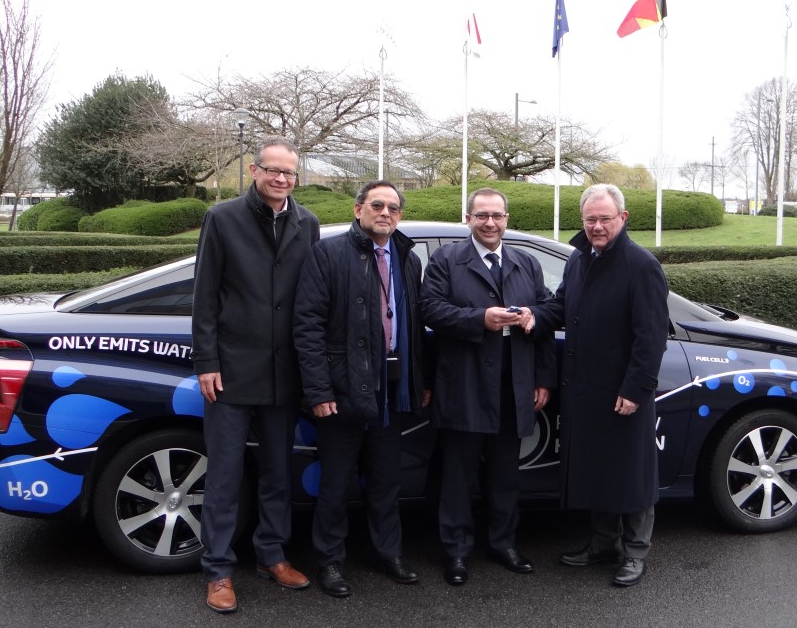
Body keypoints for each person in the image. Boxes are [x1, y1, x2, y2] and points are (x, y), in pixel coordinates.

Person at [192, 136, 321, 613]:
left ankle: (272, 554)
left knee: (277, 474)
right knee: (225, 476)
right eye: (274, 170)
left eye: (290, 172)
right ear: (254, 171)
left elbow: (312, 297)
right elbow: (205, 296)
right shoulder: (222, 218)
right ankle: (218, 570)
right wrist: (206, 361)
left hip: (284, 374)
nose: (282, 179)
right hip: (229, 373)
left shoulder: (308, 223)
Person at [532, 183, 669, 588]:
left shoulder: (641, 265)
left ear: (622, 218)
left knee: (631, 474)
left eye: (604, 219)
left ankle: (635, 552)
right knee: (598, 470)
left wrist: (636, 389)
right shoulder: (579, 258)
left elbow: (651, 337)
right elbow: (561, 305)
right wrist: (531, 317)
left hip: (623, 392)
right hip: (585, 391)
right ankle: (604, 542)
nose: (596, 226)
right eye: (590, 219)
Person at [293, 180, 426, 598]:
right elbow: (308, 327)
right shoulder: (328, 254)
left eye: (393, 207)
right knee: (336, 483)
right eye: (377, 205)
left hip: (391, 391)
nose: (385, 213)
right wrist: (319, 392)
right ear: (358, 210)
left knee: (386, 481)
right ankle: (330, 560)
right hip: (343, 389)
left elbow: (415, 328)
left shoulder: (408, 258)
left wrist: (418, 383)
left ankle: (389, 552)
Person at [420, 188, 556, 586]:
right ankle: (456, 551)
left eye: (497, 215)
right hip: (463, 383)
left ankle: (503, 543)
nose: (490, 223)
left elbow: (548, 313)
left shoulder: (526, 263)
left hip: (513, 384)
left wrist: (542, 374)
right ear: (468, 219)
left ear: (507, 219)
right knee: (457, 477)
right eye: (482, 215)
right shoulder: (446, 260)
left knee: (505, 474)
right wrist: (480, 318)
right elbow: (430, 309)